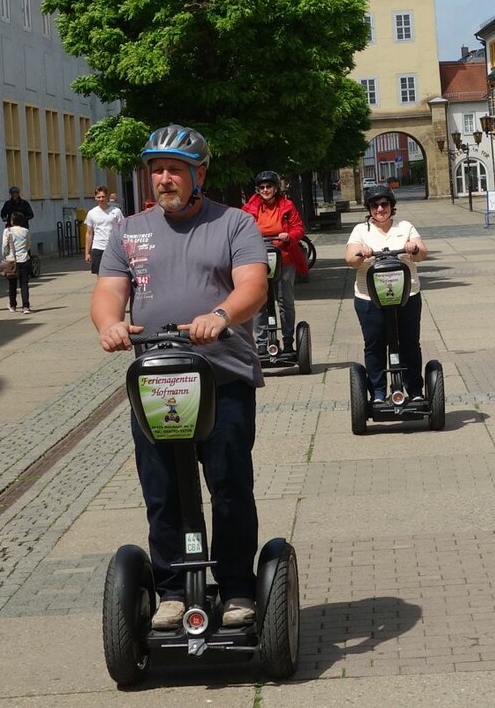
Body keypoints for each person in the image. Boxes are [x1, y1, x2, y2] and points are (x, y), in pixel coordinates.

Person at [93, 124, 267, 633]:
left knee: (229, 484)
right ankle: (171, 589)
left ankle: (236, 586)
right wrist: (110, 324)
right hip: (157, 378)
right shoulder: (130, 230)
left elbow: (253, 285)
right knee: (163, 488)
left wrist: (222, 315)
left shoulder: (235, 224)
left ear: (199, 173)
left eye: (174, 170)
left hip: (222, 376)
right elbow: (108, 291)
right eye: (157, 170)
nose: (164, 179)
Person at [343, 188, 429, 403]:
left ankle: (415, 391)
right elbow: (350, 260)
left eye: (384, 204)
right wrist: (361, 253)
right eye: (374, 205)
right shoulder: (361, 230)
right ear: (369, 209)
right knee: (375, 345)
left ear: (391, 205)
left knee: (410, 343)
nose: (380, 209)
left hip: (407, 296)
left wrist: (413, 247)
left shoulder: (405, 226)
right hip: (369, 299)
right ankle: (379, 393)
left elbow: (422, 253)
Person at [240, 170, 307, 356]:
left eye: (269, 186)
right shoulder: (249, 208)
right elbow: (241, 229)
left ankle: (287, 341)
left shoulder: (286, 205)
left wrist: (289, 236)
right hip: (259, 260)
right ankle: (262, 343)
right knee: (259, 301)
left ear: (276, 188)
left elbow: (299, 228)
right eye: (262, 187)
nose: (265, 190)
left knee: (285, 301)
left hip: (284, 258)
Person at [83, 186, 125, 275]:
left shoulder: (116, 211)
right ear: (95, 198)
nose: (101, 199)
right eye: (98, 197)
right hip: (98, 248)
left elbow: (122, 229)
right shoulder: (91, 213)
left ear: (107, 197)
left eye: (103, 196)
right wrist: (87, 253)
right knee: (100, 275)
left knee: (114, 274)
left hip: (113, 247)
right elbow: (89, 233)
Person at [1, 211, 34, 312]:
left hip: (11, 260)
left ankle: (12, 305)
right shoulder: (26, 231)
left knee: (12, 284)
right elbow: (28, 245)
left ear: (11, 221)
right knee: (24, 284)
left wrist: (5, 256)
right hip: (24, 259)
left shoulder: (7, 231)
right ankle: (26, 306)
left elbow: (4, 246)